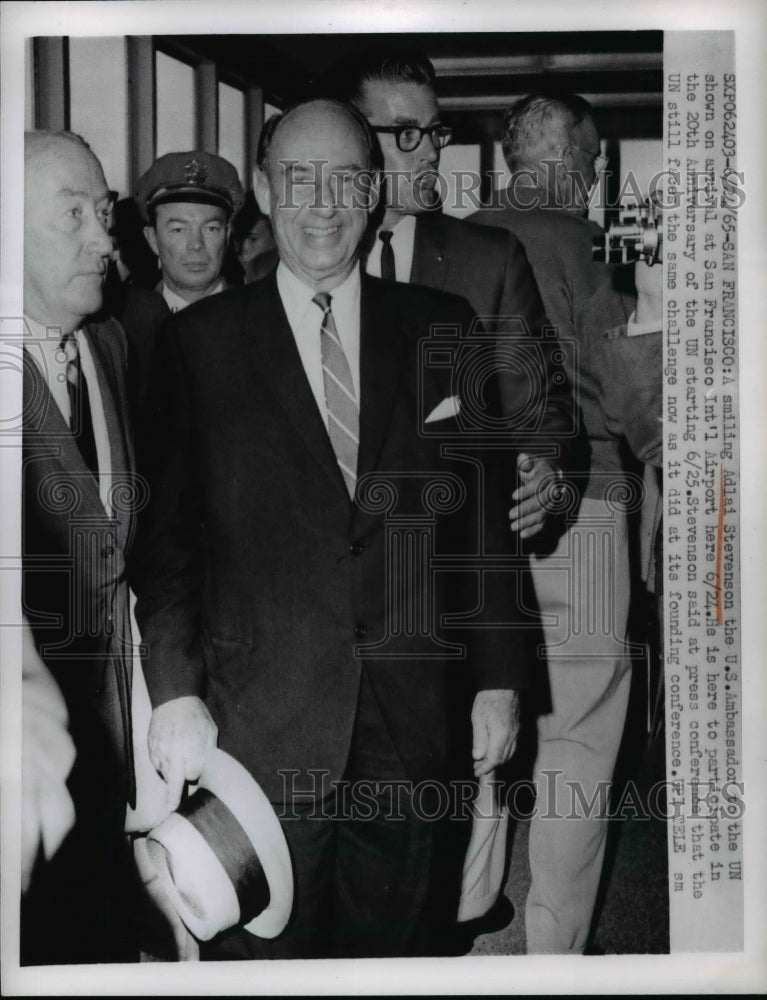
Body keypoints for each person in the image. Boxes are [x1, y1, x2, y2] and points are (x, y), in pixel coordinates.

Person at [131, 98, 532, 959]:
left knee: (409, 953)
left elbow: (482, 534)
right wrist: (175, 692)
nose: (322, 203)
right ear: (267, 196)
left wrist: (499, 679)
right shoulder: (199, 343)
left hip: (418, 714)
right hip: (259, 723)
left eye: (345, 178)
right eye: (299, 180)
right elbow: (168, 547)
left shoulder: (442, 325)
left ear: (374, 190)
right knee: (269, 957)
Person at [470, 94, 638, 955]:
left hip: (481, 518)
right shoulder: (578, 245)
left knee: (484, 723)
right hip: (586, 508)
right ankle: (553, 951)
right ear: (570, 163)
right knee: (576, 736)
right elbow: (625, 390)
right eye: (594, 161)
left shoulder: (459, 237)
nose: (594, 178)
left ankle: (470, 910)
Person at [326, 49, 580, 543]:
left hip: (453, 556)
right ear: (352, 141)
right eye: (406, 135)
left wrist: (546, 466)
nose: (430, 152)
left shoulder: (490, 260)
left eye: (434, 132)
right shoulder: (294, 268)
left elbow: (539, 401)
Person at [21, 130, 139, 963]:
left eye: (103, 213)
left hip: (106, 740)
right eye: (73, 217)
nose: (104, 240)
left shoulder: (109, 346)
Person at [135, 149, 245, 313]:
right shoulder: (125, 328)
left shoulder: (259, 318)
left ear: (227, 236)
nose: (196, 244)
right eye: (178, 230)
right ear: (152, 238)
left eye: (211, 229)